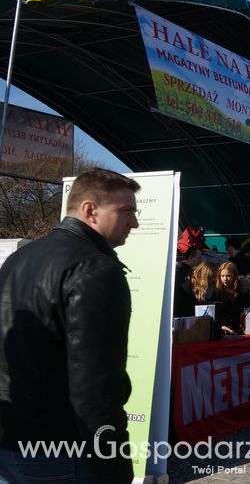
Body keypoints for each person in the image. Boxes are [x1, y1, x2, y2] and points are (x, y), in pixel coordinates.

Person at [0, 168, 140, 483]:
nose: (134, 222)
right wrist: (115, 464)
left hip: (12, 440)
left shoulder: (19, 259)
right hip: (59, 448)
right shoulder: (95, 269)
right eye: (126, 211)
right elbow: (95, 386)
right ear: (90, 210)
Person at [214, 261, 247, 335]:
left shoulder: (240, 291)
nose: (225, 279)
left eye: (228, 276)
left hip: (237, 328)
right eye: (222, 276)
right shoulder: (216, 291)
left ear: (234, 276)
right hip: (222, 329)